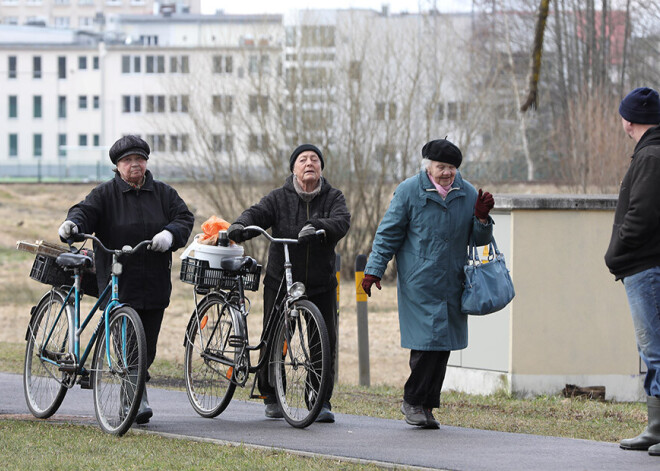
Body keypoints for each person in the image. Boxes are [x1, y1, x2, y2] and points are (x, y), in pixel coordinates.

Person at [58, 134, 194, 424]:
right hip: (119, 280)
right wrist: (72, 224)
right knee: (129, 342)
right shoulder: (105, 194)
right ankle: (135, 397)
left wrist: (169, 234)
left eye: (140, 159)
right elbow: (84, 211)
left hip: (155, 281)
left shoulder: (163, 193)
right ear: (117, 166)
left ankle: (131, 394)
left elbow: (183, 217)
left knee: (149, 346)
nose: (135, 164)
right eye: (128, 160)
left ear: (146, 162)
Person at [361, 138, 494, 429]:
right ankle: (413, 402)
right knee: (425, 345)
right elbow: (388, 234)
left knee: (442, 346)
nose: (447, 173)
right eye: (441, 166)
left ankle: (428, 406)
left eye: (452, 168)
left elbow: (479, 241)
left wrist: (482, 218)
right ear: (428, 166)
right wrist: (373, 270)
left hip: (452, 281)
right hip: (419, 281)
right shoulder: (409, 191)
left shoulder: (468, 193)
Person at [227, 143, 350, 423]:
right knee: (275, 339)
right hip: (281, 279)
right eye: (303, 160)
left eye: (315, 160)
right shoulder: (278, 198)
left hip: (320, 283)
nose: (309, 163)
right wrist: (239, 225)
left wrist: (319, 226)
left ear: (321, 168)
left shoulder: (333, 197)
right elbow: (257, 213)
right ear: (294, 168)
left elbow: (341, 221)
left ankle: (319, 400)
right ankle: (271, 394)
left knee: (323, 341)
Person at [605, 87, 660, 457]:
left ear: (628, 121)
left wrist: (616, 251)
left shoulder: (651, 157)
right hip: (646, 264)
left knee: (655, 349)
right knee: (653, 349)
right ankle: (655, 429)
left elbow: (642, 215)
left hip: (646, 265)